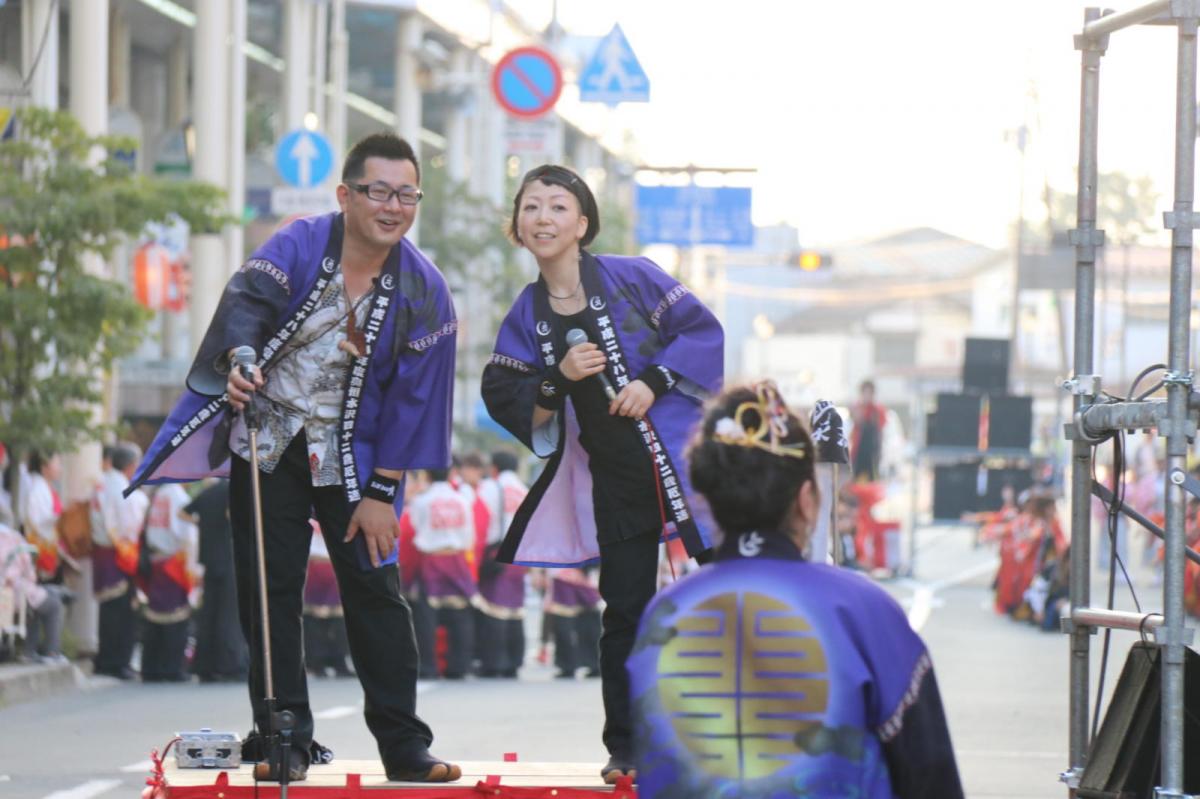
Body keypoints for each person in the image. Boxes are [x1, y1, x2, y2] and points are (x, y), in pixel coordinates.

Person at [125, 133, 460, 784]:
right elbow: (247, 303)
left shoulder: (424, 291)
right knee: (268, 591)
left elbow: (414, 402)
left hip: (357, 464)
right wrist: (240, 360)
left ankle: (404, 744)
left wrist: (383, 494)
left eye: (406, 194)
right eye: (378, 191)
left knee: (376, 594)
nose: (393, 206)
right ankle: (285, 736)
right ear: (346, 194)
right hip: (270, 444)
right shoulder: (301, 243)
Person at [481, 163, 724, 782]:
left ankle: (741, 729)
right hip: (614, 481)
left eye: (558, 207)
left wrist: (652, 381)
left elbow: (701, 329)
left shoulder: (630, 276)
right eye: (532, 207)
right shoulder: (528, 312)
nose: (543, 219)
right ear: (518, 223)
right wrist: (557, 376)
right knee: (624, 614)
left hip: (681, 463)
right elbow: (506, 393)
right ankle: (628, 747)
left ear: (583, 222)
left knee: (726, 592)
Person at [629, 382, 964, 798]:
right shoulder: (865, 608)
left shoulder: (663, 614)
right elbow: (930, 777)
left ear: (708, 500)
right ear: (807, 499)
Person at [408, 468, 477, 680]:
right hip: (456, 558)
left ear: (426, 476)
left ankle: (428, 667)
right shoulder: (462, 500)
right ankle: (459, 666)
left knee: (426, 616)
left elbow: (415, 527)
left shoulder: (421, 501)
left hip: (431, 558)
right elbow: (469, 533)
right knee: (460, 615)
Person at [90, 442, 147, 679]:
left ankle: (106, 659)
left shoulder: (103, 483)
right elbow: (129, 525)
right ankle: (118, 662)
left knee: (108, 610)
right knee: (122, 611)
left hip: (103, 551)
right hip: (119, 553)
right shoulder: (122, 488)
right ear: (131, 466)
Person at [184, 479, 248, 683]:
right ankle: (230, 664)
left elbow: (183, 512)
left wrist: (202, 523)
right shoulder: (234, 490)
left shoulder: (208, 492)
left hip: (209, 559)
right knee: (229, 614)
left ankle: (205, 665)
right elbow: (232, 514)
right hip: (229, 558)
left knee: (209, 613)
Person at [473, 450, 529, 678]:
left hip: (498, 550)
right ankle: (514, 662)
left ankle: (494, 662)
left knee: (494, 608)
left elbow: (483, 520)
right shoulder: (524, 489)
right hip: (521, 552)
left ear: (494, 468)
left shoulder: (491, 487)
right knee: (515, 608)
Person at [140, 482, 200, 682]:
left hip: (157, 559)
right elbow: (187, 536)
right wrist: (192, 566)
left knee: (155, 617)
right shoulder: (178, 497)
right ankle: (172, 668)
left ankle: (151, 667)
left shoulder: (160, 493)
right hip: (173, 561)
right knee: (176, 618)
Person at [850, 379, 887, 483]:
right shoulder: (857, 407)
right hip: (858, 451)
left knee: (872, 480)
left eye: (869, 393)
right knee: (856, 480)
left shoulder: (878, 409)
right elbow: (857, 420)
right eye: (864, 392)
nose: (867, 395)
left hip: (873, 452)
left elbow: (881, 428)